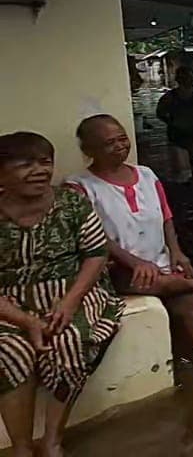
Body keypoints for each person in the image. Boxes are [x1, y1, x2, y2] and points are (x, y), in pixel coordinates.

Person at [0, 132, 122, 457]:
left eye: (45, 162)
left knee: (68, 342)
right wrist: (25, 320)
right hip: (7, 304)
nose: (39, 171)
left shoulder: (70, 202)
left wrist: (69, 302)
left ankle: (53, 439)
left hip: (72, 291)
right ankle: (22, 447)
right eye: (25, 164)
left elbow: (96, 255)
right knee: (10, 351)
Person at [68, 115, 193, 359]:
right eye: (109, 143)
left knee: (192, 304)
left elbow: (165, 216)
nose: (120, 146)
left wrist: (176, 250)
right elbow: (94, 236)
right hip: (116, 268)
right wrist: (135, 262)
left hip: (158, 262)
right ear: (89, 150)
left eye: (122, 138)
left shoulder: (146, 175)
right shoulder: (79, 186)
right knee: (143, 279)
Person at [156, 65, 193, 183]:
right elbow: (160, 113)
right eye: (186, 77)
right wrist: (173, 123)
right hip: (179, 135)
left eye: (188, 76)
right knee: (183, 170)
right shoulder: (170, 97)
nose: (188, 79)